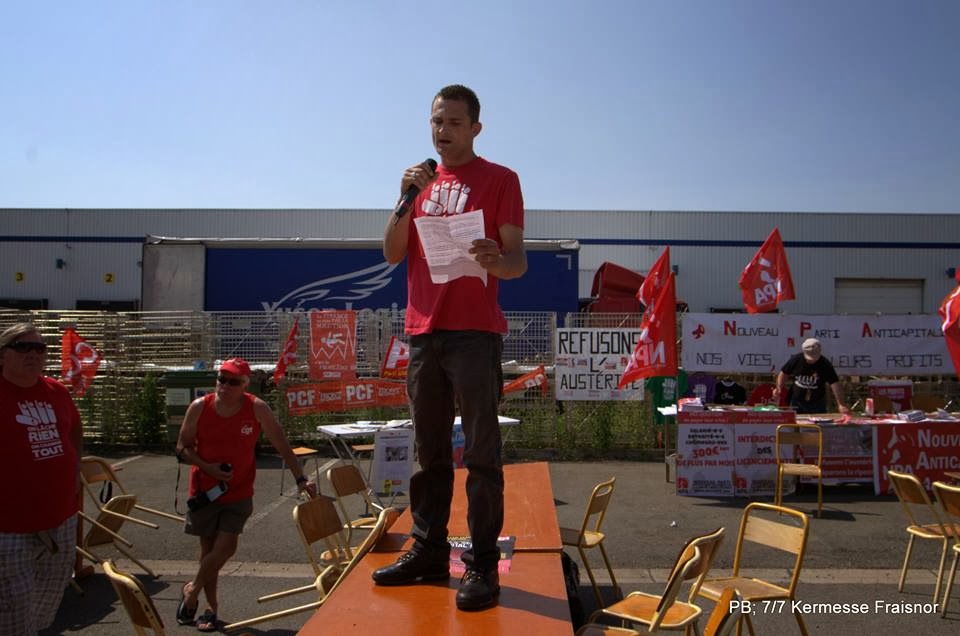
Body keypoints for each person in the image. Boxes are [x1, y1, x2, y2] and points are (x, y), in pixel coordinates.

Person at [373, 84, 527, 611]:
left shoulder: (501, 180)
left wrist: (495, 259)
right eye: (437, 121)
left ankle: (482, 564)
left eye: (454, 122)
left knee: (482, 455)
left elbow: (517, 261)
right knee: (428, 453)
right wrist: (404, 197)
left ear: (476, 128)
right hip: (423, 332)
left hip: (474, 333)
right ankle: (429, 550)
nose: (443, 131)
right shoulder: (421, 184)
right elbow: (392, 254)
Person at [175, 357, 316, 631]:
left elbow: (281, 443)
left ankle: (191, 590)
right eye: (221, 379)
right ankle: (210, 608)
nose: (225, 385)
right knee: (208, 551)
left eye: (233, 381)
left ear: (245, 385)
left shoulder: (256, 409)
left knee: (226, 548)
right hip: (205, 491)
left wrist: (301, 478)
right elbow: (182, 448)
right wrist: (208, 467)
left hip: (238, 492)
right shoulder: (199, 408)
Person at [0, 323, 83, 635]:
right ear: (3, 355)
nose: (33, 354)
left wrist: (75, 469)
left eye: (40, 348)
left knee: (46, 607)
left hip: (60, 520)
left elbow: (74, 430)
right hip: (8, 527)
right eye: (23, 347)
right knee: (14, 614)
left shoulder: (56, 391)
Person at [773, 338, 851, 415]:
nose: (812, 360)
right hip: (797, 401)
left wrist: (841, 404)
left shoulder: (825, 364)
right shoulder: (796, 359)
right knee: (795, 423)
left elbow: (835, 384)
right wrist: (779, 387)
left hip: (817, 402)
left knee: (819, 425)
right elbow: (784, 373)